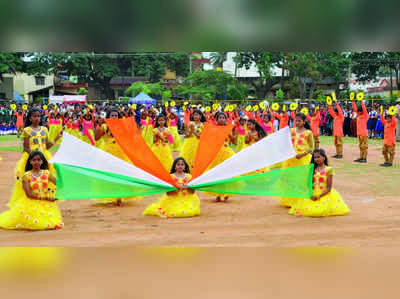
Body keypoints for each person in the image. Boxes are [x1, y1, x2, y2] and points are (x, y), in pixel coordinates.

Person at [0, 150, 64, 230]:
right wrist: (47, 198)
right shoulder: (26, 176)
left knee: (52, 224)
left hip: (46, 203)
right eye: (34, 160)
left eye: (39, 160)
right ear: (30, 161)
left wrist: (58, 170)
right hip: (31, 202)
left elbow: (60, 185)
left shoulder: (47, 173)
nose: (36, 162)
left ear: (42, 161)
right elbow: (29, 194)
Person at [289, 149, 350, 217]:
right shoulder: (312, 169)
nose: (316, 159)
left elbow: (329, 188)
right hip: (312, 193)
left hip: (324, 193)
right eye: (315, 157)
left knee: (317, 211)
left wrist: (319, 196)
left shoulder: (329, 169)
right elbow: (309, 184)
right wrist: (310, 194)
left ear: (324, 157)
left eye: (318, 157)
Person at [279, 113, 314, 208]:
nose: (297, 122)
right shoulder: (291, 131)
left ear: (304, 121)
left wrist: (302, 154)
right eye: (296, 120)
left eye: (299, 121)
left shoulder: (308, 133)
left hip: (302, 159)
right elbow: (286, 143)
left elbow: (311, 148)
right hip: (291, 159)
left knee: (301, 178)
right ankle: (290, 199)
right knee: (289, 178)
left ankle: (299, 199)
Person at [205, 112, 236, 203]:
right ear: (216, 119)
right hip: (216, 153)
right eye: (220, 117)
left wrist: (232, 132)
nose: (222, 119)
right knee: (216, 173)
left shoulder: (228, 129)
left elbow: (233, 142)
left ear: (226, 119)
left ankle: (227, 193)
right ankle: (217, 193)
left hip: (227, 152)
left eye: (223, 118)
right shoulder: (213, 129)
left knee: (227, 173)